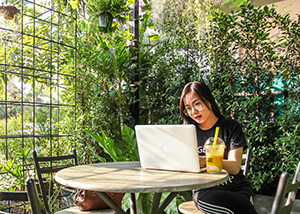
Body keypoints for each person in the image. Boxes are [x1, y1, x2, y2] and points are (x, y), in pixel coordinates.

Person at [180, 81, 257, 214]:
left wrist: (205, 160)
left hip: (236, 187)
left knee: (240, 204)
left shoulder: (231, 127)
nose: (193, 112)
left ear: (209, 101)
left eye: (197, 104)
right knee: (239, 207)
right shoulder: (188, 132)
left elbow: (234, 167)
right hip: (206, 190)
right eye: (188, 108)